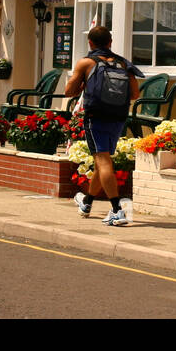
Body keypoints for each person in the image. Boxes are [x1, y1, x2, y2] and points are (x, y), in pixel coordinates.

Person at [64, 26, 143, 226]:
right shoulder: (123, 64)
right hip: (118, 117)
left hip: (96, 116)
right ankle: (88, 202)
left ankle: (117, 210)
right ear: (110, 43)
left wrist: (83, 85)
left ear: (90, 43)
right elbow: (135, 94)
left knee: (103, 160)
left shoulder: (86, 63)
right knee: (103, 159)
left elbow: (68, 91)